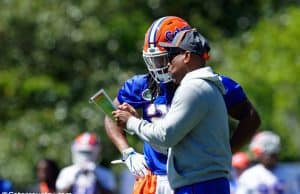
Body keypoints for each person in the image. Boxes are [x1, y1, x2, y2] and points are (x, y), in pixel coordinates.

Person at [104, 16, 260, 194]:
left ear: (186, 54)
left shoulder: (204, 86)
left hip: (194, 177)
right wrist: (127, 152)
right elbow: (111, 113)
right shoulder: (143, 85)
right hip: (155, 176)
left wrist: (225, 153)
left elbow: (250, 117)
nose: (162, 67)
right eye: (154, 61)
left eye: (165, 59)